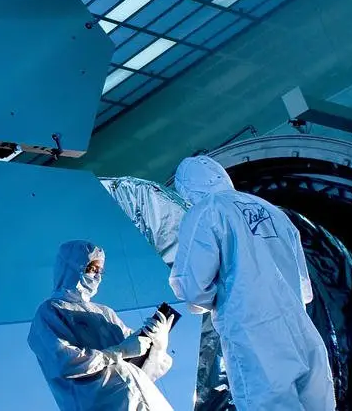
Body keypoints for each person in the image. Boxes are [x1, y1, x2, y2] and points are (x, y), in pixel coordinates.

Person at [169, 156, 336, 410]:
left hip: (254, 335)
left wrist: (214, 301)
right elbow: (303, 285)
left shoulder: (206, 211)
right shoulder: (273, 212)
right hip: (302, 330)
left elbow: (191, 287)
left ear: (187, 189)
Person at [29, 240, 175, 411]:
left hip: (147, 401)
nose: (97, 276)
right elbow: (65, 361)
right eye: (91, 269)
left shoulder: (105, 313)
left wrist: (157, 344)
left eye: (100, 271)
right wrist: (120, 351)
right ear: (71, 268)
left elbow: (142, 369)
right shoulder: (51, 311)